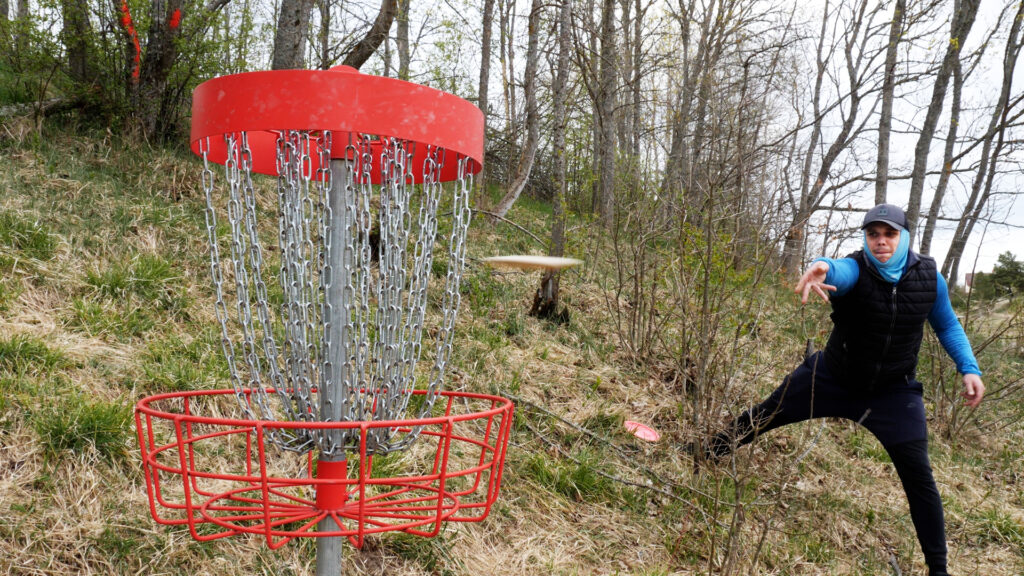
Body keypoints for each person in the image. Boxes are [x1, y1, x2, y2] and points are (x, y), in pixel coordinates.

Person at [696, 204, 984, 576]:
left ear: (904, 237)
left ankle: (939, 569)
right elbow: (839, 271)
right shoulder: (856, 268)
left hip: (893, 394)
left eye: (889, 234)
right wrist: (821, 267)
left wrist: (969, 368)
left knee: (919, 477)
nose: (881, 242)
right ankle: (704, 452)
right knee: (766, 413)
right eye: (873, 234)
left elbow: (946, 325)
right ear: (865, 238)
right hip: (832, 377)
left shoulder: (929, 277)